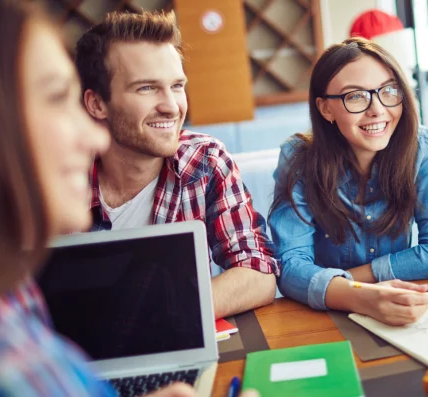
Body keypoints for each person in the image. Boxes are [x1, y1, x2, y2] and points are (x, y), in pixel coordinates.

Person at [0, 1, 190, 395]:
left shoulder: (15, 293)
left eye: (177, 86)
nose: (94, 139)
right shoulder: (9, 353)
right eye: (55, 98)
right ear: (97, 104)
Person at [75, 11, 278, 319]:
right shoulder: (58, 175)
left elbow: (258, 272)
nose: (171, 106)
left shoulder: (205, 160)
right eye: (146, 88)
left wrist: (162, 314)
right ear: (97, 104)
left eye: (177, 85)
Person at [268, 38, 428, 326]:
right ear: (325, 109)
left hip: (400, 306)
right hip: (324, 319)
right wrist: (358, 295)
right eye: (356, 96)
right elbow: (291, 267)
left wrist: (351, 281)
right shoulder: (299, 159)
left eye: (388, 91)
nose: (378, 109)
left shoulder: (419, 147)